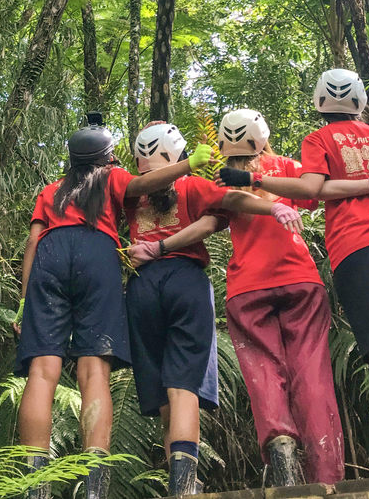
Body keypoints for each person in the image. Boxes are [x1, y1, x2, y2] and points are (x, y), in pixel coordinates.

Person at [219, 71, 369, 476]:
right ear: (362, 101)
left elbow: (313, 189)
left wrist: (253, 178)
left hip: (355, 250)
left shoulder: (318, 141)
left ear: (319, 103)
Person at [13, 114, 214, 499]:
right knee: (94, 372)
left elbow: (32, 243)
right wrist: (187, 164)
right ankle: (94, 487)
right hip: (97, 252)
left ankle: (34, 488)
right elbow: (142, 184)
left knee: (41, 371)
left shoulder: (51, 190)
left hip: (50, 256)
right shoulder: (112, 177)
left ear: (71, 159)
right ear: (107, 158)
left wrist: (24, 303)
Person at [125, 119, 304, 496]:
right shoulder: (190, 183)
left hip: (140, 288)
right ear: (177, 154)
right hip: (184, 278)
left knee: (161, 388)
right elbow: (229, 200)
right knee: (183, 384)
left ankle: (179, 476)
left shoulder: (130, 192)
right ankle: (183, 484)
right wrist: (272, 209)